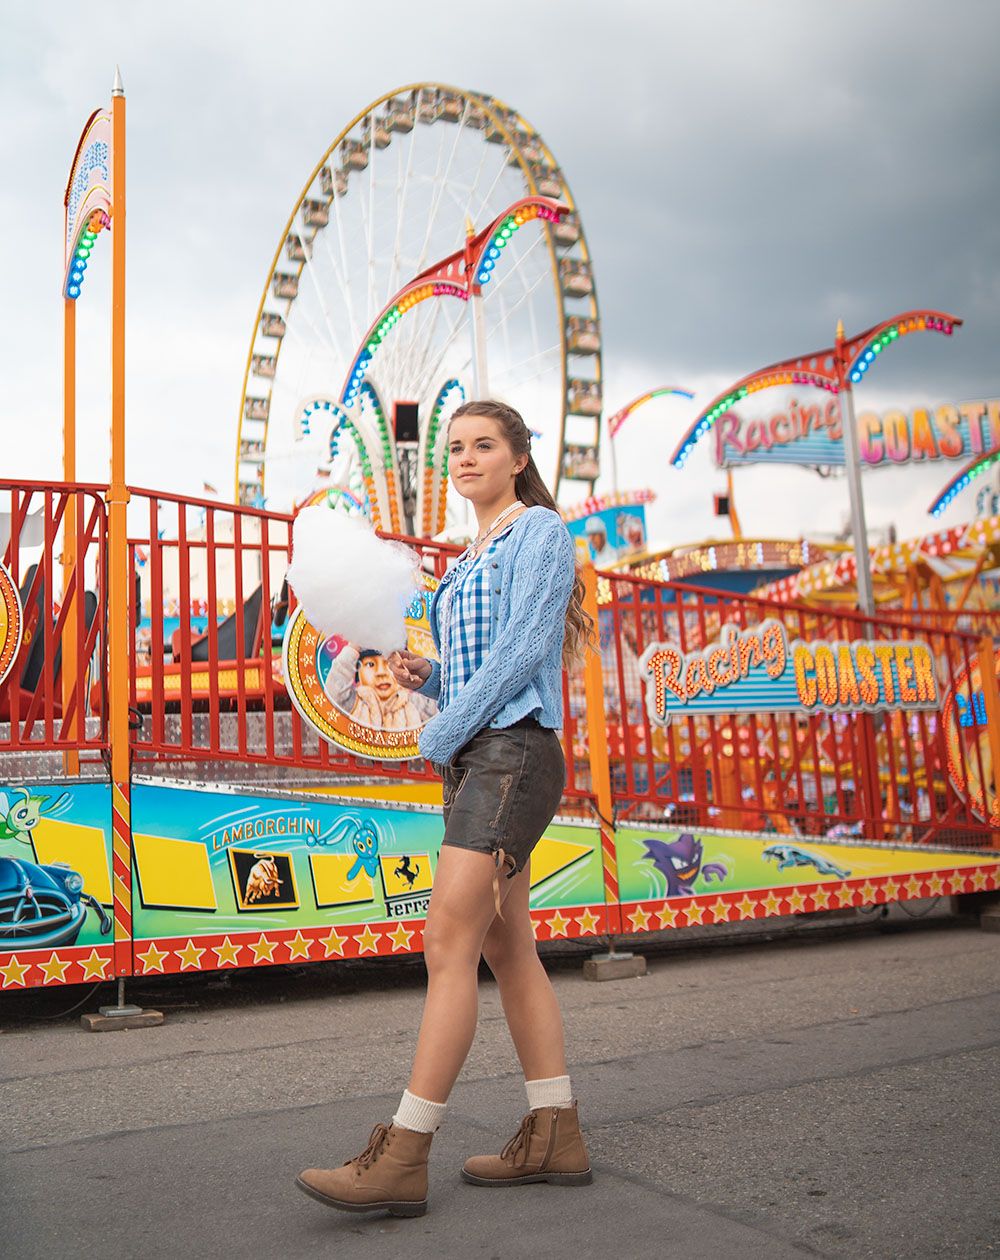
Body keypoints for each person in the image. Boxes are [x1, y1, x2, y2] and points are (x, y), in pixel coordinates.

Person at [296, 400, 594, 1218]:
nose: (464, 459)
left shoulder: (539, 532)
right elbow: (482, 668)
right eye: (456, 447)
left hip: (512, 754)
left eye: (482, 446)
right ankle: (555, 1130)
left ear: (517, 456)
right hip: (479, 755)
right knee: (509, 949)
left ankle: (402, 1153)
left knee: (446, 941)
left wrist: (446, 729)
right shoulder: (466, 559)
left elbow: (526, 650)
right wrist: (433, 684)